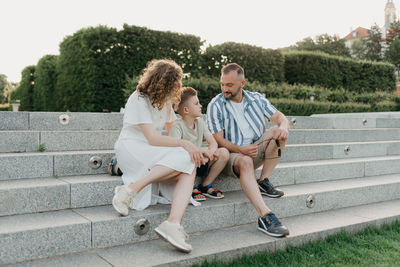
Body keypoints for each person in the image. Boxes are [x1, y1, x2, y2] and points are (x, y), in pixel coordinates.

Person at [112, 59, 206, 253]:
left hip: (151, 148)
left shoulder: (165, 102)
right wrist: (185, 145)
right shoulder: (138, 98)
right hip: (132, 147)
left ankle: (172, 223)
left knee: (188, 163)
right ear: (165, 82)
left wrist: (190, 148)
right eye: (175, 84)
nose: (176, 89)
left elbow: (173, 134)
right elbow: (153, 138)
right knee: (186, 158)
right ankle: (131, 190)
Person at [206, 63, 290, 237]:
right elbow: (218, 140)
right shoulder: (216, 104)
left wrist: (284, 126)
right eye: (222, 84)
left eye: (229, 85)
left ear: (242, 84)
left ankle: (263, 181)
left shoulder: (256, 99)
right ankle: (265, 215)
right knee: (244, 161)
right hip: (231, 155)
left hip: (254, 149)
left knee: (277, 132)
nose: (224, 89)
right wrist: (240, 150)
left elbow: (280, 117)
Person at [169, 87, 229, 201]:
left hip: (201, 162)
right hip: (185, 164)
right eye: (196, 104)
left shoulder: (200, 122)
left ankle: (205, 185)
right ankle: (190, 187)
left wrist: (210, 153)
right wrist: (202, 150)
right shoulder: (177, 125)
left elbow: (213, 142)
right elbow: (175, 150)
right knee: (185, 156)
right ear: (186, 110)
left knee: (223, 153)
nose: (200, 106)